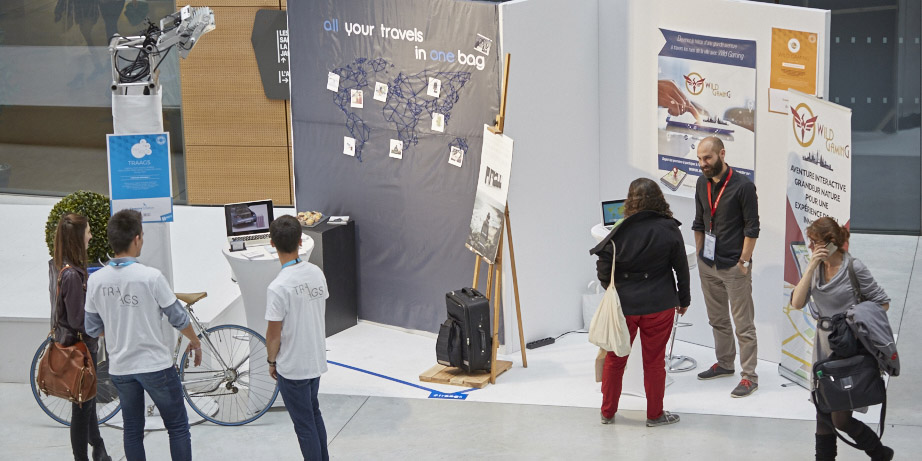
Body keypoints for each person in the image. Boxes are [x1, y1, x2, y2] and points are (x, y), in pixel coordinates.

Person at [84, 210, 202, 461]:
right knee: (177, 427)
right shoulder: (151, 277)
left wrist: (116, 328)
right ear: (136, 239)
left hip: (121, 367)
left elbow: (92, 328)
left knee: (132, 430)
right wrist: (194, 340)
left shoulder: (96, 281)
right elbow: (178, 318)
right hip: (155, 365)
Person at [790, 217, 894, 461]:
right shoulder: (814, 267)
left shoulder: (854, 268)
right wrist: (810, 267)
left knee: (840, 417)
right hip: (823, 346)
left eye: (815, 242)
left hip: (848, 348)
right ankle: (876, 453)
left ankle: (879, 452)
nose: (811, 247)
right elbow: (796, 303)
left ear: (831, 242)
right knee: (823, 411)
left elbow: (882, 303)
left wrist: (853, 320)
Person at [589, 178, 690, 427]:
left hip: (625, 306)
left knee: (615, 358)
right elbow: (681, 268)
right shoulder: (669, 228)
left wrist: (612, 289)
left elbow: (603, 267)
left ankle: (607, 412)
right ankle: (655, 415)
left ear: (630, 200)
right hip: (660, 304)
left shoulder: (619, 230)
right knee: (655, 362)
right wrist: (683, 299)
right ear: (659, 199)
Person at [691, 136, 761, 398]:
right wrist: (700, 254)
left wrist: (744, 261)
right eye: (699, 159)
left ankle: (749, 377)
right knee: (717, 319)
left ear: (722, 154)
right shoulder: (701, 182)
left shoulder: (743, 186)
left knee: (744, 325)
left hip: (734, 266)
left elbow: (752, 228)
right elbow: (699, 221)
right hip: (708, 264)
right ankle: (724, 363)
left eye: (707, 158)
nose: (703, 163)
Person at [264, 215, 330, 460]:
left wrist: (271, 361)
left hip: (293, 367)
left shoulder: (278, 287)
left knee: (304, 425)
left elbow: (273, 334)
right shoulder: (316, 273)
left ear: (272, 243)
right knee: (314, 414)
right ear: (300, 240)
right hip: (315, 360)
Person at [52, 213, 112, 461]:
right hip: (81, 352)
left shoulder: (67, 269)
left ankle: (99, 448)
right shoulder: (72, 276)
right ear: (78, 238)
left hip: (81, 349)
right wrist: (104, 329)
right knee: (82, 409)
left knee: (87, 403)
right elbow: (78, 320)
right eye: (87, 231)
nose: (91, 236)